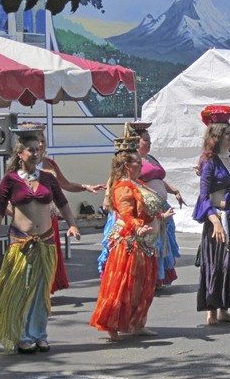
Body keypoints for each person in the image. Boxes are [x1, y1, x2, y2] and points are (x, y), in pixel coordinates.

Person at [0, 130, 80, 354]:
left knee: (42, 290)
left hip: (45, 242)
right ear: (20, 153)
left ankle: (39, 335)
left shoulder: (48, 178)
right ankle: (22, 336)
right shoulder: (10, 180)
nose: (36, 153)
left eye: (39, 149)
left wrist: (72, 225)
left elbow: (62, 203)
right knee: (22, 288)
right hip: (21, 244)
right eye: (31, 150)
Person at [90, 134, 172, 341]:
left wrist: (162, 216)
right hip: (130, 242)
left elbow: (145, 211)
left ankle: (137, 323)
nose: (141, 166)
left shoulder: (137, 184)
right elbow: (126, 214)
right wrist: (138, 228)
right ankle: (113, 326)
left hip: (146, 242)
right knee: (124, 286)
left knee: (144, 286)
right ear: (127, 165)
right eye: (137, 162)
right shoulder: (123, 187)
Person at [24, 123, 105, 294]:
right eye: (37, 141)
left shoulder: (50, 163)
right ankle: (31, 292)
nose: (41, 144)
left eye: (43, 140)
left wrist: (86, 187)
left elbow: (65, 185)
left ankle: (44, 293)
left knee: (49, 256)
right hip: (30, 220)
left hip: (50, 217)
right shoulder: (21, 167)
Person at [193, 105, 230, 325]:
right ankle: (211, 310)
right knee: (217, 264)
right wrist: (215, 221)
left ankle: (224, 308)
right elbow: (204, 194)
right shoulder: (209, 161)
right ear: (216, 136)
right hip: (217, 219)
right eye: (226, 133)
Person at [131, 121, 185, 288]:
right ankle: (148, 280)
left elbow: (158, 179)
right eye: (145, 140)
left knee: (163, 244)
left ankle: (158, 278)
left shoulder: (151, 159)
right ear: (136, 142)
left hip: (162, 205)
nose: (149, 143)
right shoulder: (132, 160)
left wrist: (174, 190)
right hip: (148, 208)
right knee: (152, 243)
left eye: (149, 140)